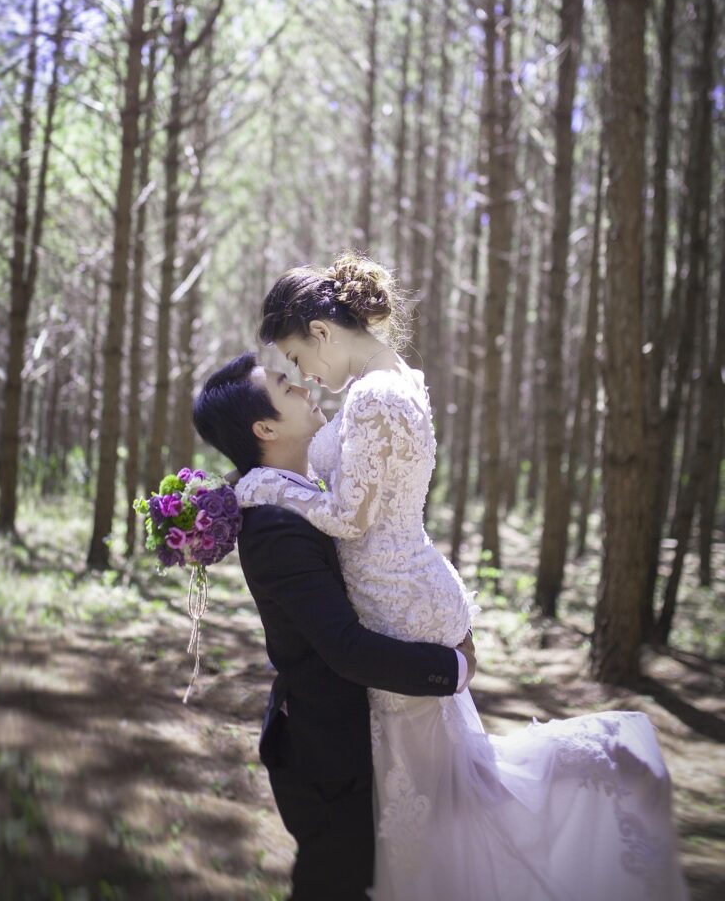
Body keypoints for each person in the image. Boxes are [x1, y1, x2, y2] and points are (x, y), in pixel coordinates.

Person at [235, 251, 689, 901]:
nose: (304, 373)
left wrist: (268, 486)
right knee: (430, 788)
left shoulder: (374, 398)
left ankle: (599, 770)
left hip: (397, 597)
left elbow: (349, 516)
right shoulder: (394, 381)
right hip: (407, 584)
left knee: (432, 795)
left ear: (323, 334)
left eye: (299, 357)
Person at [192, 351, 476, 901]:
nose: (303, 386)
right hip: (326, 751)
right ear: (265, 427)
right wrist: (454, 668)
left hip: (366, 734)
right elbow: (343, 648)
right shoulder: (273, 525)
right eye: (284, 386)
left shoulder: (304, 493)